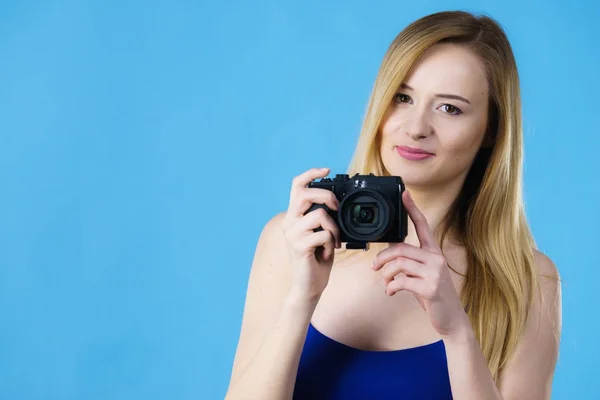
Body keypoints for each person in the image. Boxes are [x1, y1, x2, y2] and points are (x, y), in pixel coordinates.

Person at [225, 9, 562, 400]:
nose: (416, 127)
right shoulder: (293, 240)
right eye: (402, 97)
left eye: (449, 108)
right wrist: (301, 300)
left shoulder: (525, 281)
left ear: (491, 130)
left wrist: (457, 332)